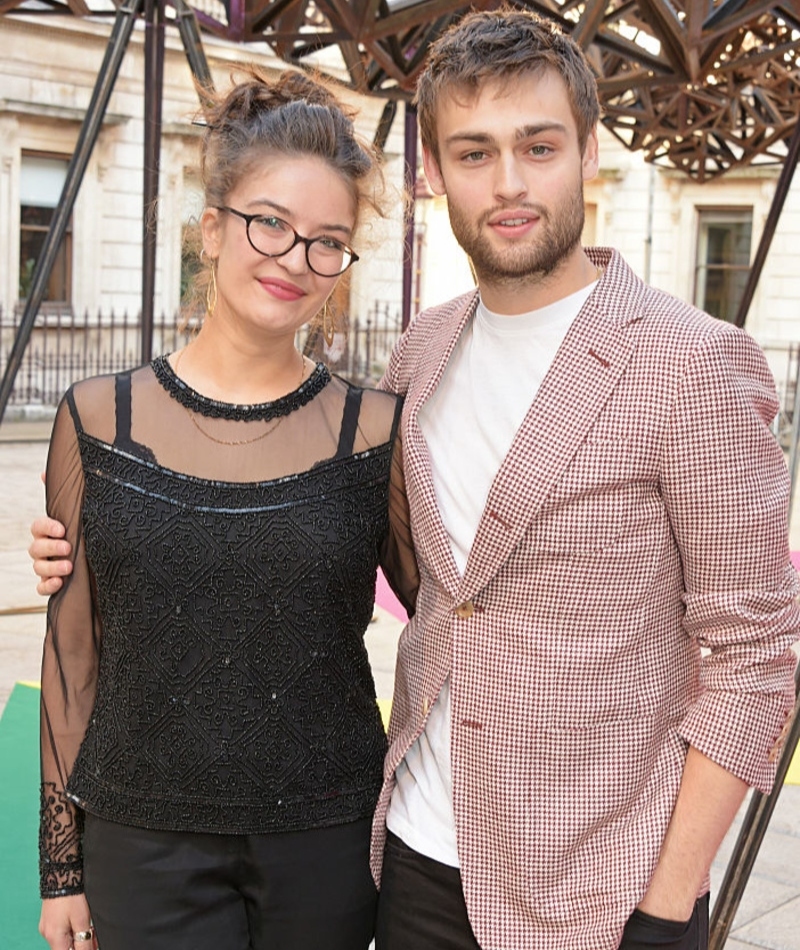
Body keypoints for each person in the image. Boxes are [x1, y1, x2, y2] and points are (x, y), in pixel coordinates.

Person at [30, 9, 800, 950]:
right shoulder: (423, 355)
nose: (509, 183)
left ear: (589, 151)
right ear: (435, 172)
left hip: (600, 883)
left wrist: (669, 898)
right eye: (474, 153)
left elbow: (757, 652)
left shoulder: (692, 363)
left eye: (539, 146)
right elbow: (394, 573)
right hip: (412, 854)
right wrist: (126, 540)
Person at [28, 65, 416, 950]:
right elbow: (74, 650)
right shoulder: (97, 418)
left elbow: (453, 618)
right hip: (141, 840)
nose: (295, 260)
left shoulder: (376, 430)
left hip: (327, 840)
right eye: (269, 224)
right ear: (211, 229)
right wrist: (61, 871)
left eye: (328, 240)